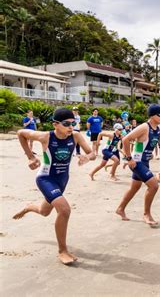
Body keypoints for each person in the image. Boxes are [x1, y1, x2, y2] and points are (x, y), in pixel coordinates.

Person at [13, 108, 95, 265]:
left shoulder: (76, 136)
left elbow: (92, 153)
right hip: (45, 178)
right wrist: (30, 157)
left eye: (74, 123)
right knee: (64, 210)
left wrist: (87, 157)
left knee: (44, 212)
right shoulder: (45, 137)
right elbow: (20, 133)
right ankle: (62, 251)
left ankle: (30, 207)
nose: (71, 127)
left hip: (62, 180)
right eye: (66, 124)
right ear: (55, 124)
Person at [115, 104, 160, 225]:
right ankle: (146, 214)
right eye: (159, 114)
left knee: (135, 187)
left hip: (145, 162)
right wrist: (129, 159)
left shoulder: (159, 129)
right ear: (152, 115)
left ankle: (120, 209)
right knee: (154, 186)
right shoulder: (144, 127)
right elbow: (125, 140)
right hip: (137, 162)